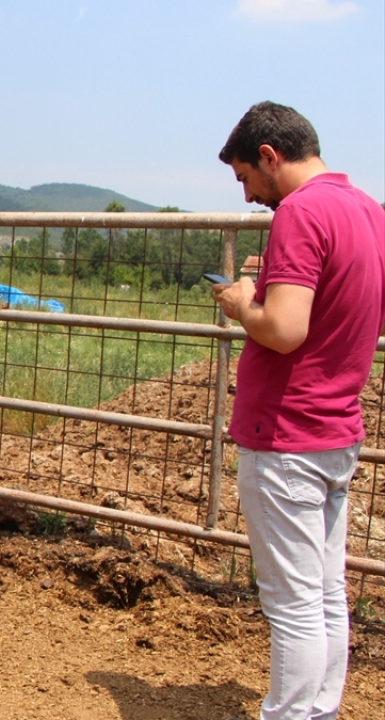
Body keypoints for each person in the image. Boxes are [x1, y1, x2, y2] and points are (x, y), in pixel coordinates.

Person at [211, 101, 385, 720]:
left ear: (269, 155)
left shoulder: (301, 212)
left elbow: (283, 330)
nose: (251, 195)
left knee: (291, 602)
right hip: (336, 428)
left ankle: (288, 715)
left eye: (245, 178)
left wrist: (241, 302)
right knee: (326, 592)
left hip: (286, 433)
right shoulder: (369, 211)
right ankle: (322, 711)